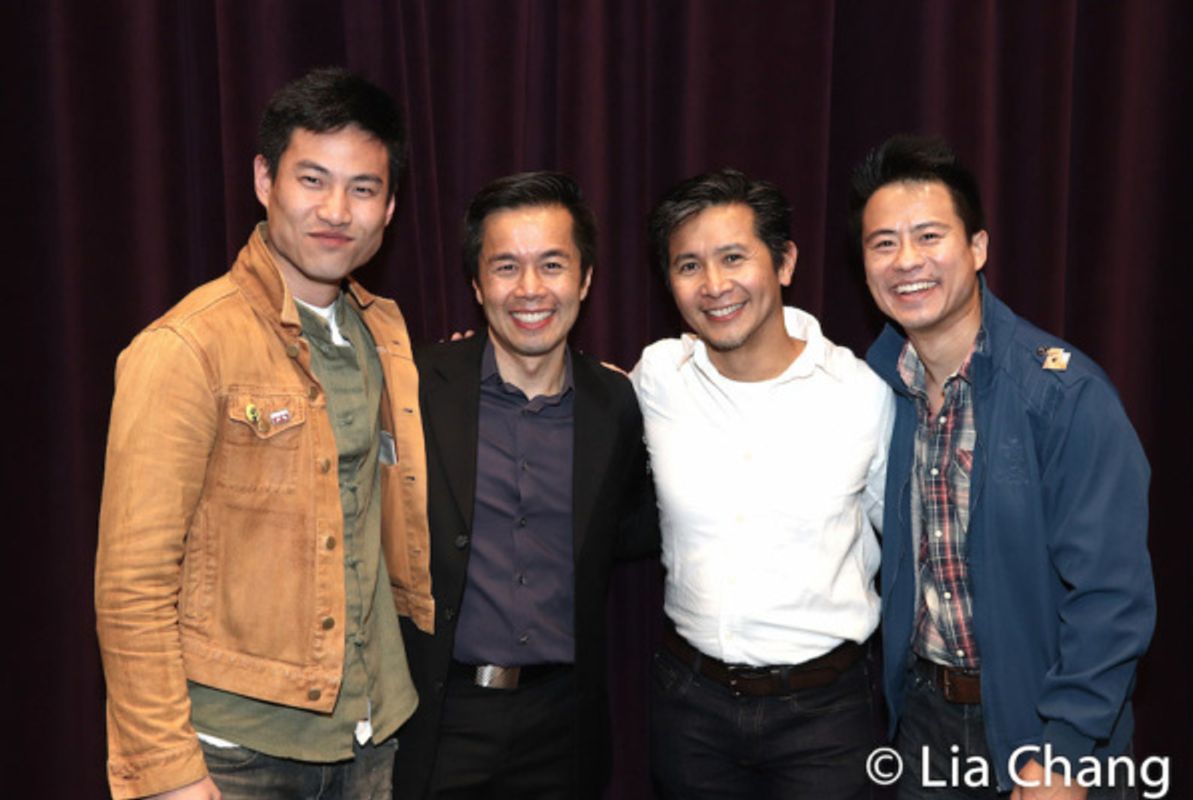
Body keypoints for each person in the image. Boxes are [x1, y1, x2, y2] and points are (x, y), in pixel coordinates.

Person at [95, 67, 432, 800]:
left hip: (371, 734)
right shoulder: (186, 347)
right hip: (236, 756)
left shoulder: (384, 336)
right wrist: (167, 773)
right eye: (312, 179)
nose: (336, 210)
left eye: (363, 189)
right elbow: (131, 585)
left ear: (390, 207)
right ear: (263, 180)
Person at [852, 134, 1155, 799]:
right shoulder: (873, 389)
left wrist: (1067, 754)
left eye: (929, 236)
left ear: (978, 248)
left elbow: (1112, 594)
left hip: (1046, 724)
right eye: (883, 244)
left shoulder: (1063, 396)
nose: (907, 262)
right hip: (926, 722)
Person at [392, 171, 657, 799]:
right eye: (506, 267)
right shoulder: (414, 387)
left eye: (553, 265)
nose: (531, 289)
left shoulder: (616, 404)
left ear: (586, 279)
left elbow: (637, 528)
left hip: (563, 724)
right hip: (440, 714)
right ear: (477, 284)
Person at [631, 169, 893, 799]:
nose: (714, 285)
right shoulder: (657, 377)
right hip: (689, 705)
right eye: (688, 265)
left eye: (732, 258)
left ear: (784, 262)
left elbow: (907, 543)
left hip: (826, 717)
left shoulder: (862, 397)